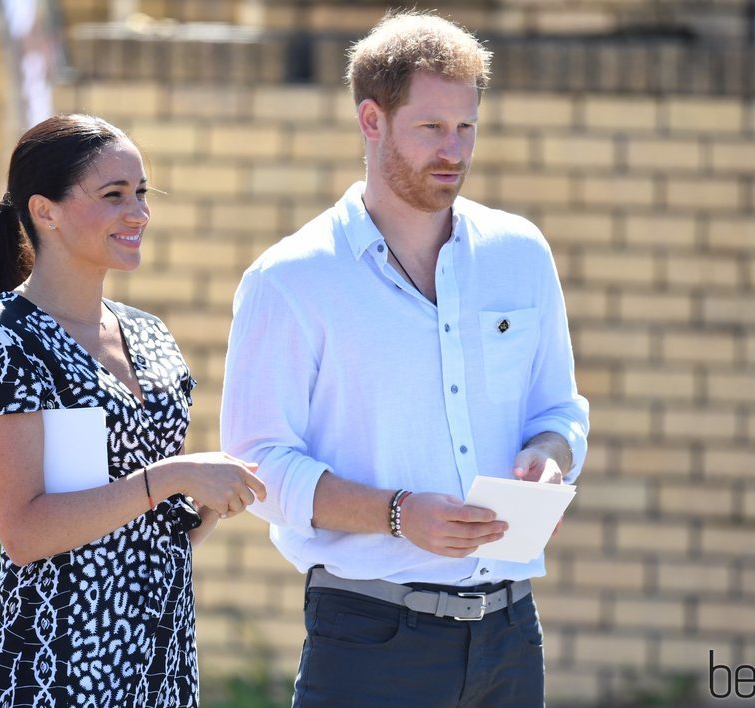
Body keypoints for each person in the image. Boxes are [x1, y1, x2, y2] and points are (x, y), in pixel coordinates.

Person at [221, 9, 590, 707]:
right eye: (430, 128)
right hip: (368, 638)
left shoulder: (521, 254)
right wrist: (397, 514)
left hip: (512, 635)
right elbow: (258, 467)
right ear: (371, 121)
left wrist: (550, 457)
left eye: (467, 127)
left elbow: (560, 410)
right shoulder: (290, 280)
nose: (453, 149)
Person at [0, 113, 266, 707]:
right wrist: (174, 475)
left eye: (141, 193)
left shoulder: (152, 337)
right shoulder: (0, 344)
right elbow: (25, 534)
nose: (137, 213)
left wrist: (204, 507)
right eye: (113, 195)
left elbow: (146, 531)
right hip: (53, 666)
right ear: (46, 211)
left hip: (160, 660)